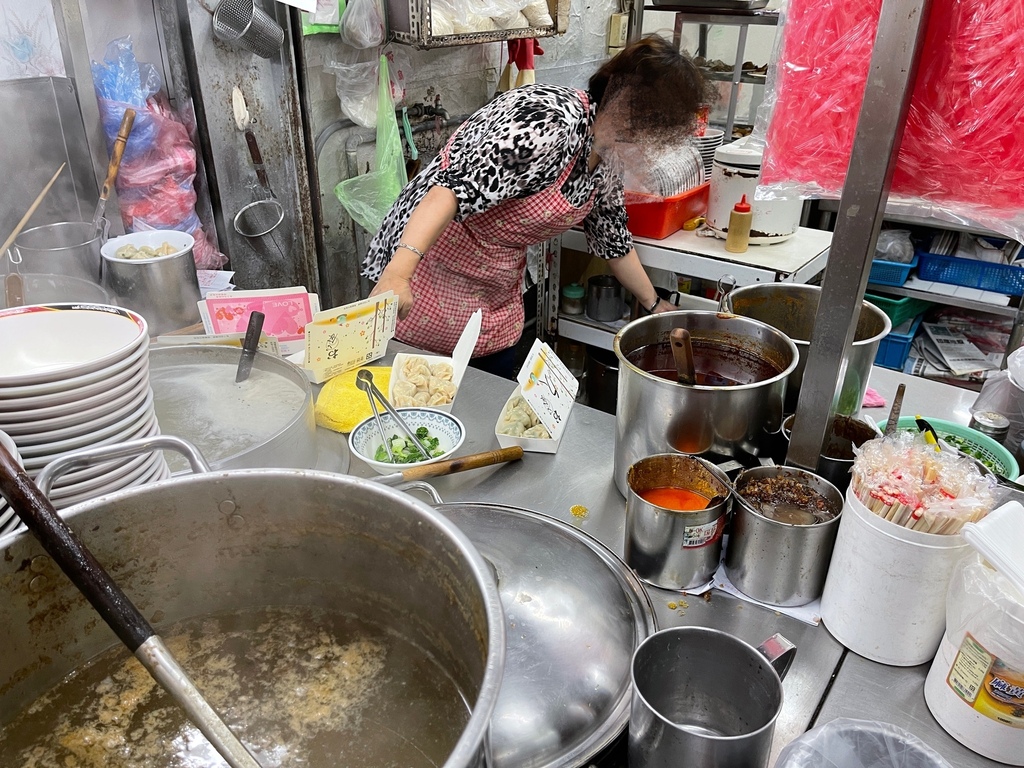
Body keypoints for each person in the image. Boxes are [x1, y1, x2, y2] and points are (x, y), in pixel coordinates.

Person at [365, 35, 708, 378]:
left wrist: (653, 304)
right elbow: (449, 190)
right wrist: (398, 274)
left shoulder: (605, 152)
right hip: (431, 266)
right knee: (419, 386)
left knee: (487, 388)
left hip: (494, 285)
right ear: (629, 101)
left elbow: (612, 238)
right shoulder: (548, 121)